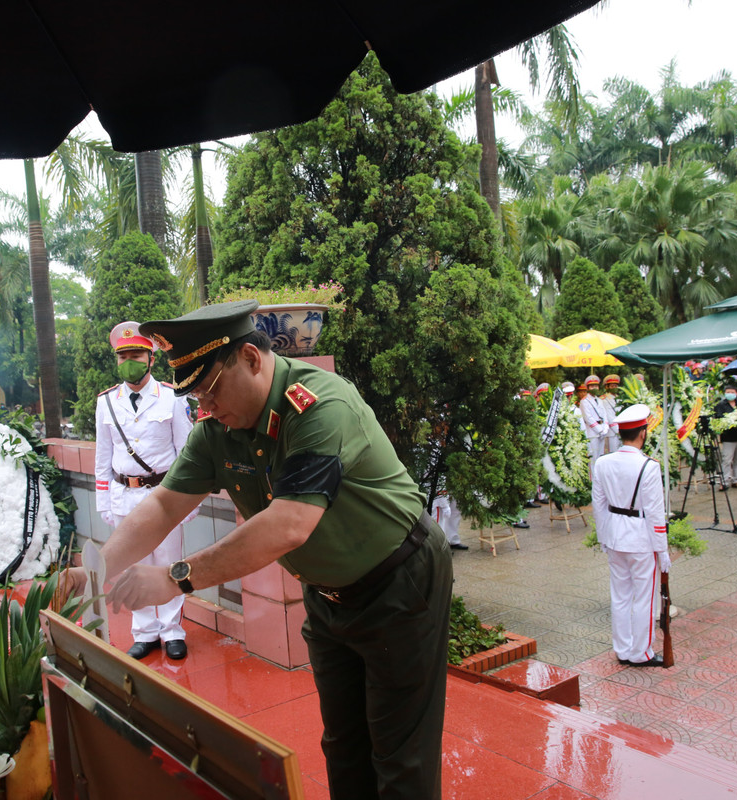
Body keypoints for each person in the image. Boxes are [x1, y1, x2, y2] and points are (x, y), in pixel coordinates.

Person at [68, 300, 453, 799]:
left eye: (211, 389)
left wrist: (173, 578)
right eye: (195, 396)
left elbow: (289, 524)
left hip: (399, 582)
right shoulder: (218, 428)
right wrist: (95, 571)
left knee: (401, 760)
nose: (205, 407)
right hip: (328, 596)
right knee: (344, 748)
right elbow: (162, 504)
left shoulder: (319, 406)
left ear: (251, 358)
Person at [94, 321, 195, 660]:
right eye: (123, 357)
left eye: (136, 356)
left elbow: (186, 452)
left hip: (163, 496)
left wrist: (189, 502)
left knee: (168, 563)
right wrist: (103, 501)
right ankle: (145, 632)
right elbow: (102, 458)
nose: (129, 363)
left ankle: (172, 631)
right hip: (124, 496)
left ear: (151, 359)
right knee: (131, 565)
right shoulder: (106, 402)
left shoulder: (171, 397)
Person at [591, 404, 670, 667]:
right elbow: (655, 513)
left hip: (615, 536)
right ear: (643, 433)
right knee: (644, 598)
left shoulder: (603, 463)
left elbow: (599, 506)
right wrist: (662, 549)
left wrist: (603, 537)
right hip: (640, 539)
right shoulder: (648, 466)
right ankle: (640, 653)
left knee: (620, 596)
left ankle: (623, 649)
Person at [713, 381, 737, 490]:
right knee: (727, 460)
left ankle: (736, 480)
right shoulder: (721, 405)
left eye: (732, 392)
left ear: (736, 393)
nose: (730, 394)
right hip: (728, 437)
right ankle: (724, 481)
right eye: (728, 392)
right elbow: (718, 418)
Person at [578, 375, 609, 468]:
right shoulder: (584, 401)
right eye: (592, 386)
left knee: (601, 457)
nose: (594, 388)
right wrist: (600, 430)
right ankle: (593, 477)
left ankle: (599, 476)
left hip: (602, 430)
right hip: (592, 433)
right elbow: (588, 418)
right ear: (587, 388)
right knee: (593, 458)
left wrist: (605, 428)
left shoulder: (599, 400)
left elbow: (604, 415)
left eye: (596, 386)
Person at [600, 375, 622, 453]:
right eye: (612, 386)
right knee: (613, 452)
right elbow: (609, 417)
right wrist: (618, 431)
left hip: (622, 430)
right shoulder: (604, 400)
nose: (614, 388)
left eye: (616, 386)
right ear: (607, 387)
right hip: (612, 432)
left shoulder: (620, 398)